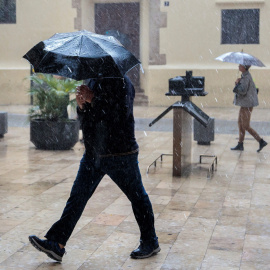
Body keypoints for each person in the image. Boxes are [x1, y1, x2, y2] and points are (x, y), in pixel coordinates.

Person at [29, 75, 160, 262]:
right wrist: (82, 106)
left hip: (120, 154)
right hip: (94, 153)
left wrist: (93, 99)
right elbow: (88, 120)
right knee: (77, 197)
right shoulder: (91, 81)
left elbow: (120, 115)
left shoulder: (122, 82)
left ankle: (150, 241)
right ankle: (57, 243)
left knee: (137, 196)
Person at [231, 64, 267, 152]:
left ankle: (261, 141)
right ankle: (240, 144)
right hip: (244, 104)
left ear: (244, 67)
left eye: (240, 65)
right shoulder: (244, 76)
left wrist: (237, 83)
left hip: (247, 104)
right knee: (240, 123)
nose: (238, 66)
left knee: (246, 126)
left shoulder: (246, 77)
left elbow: (242, 91)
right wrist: (239, 81)